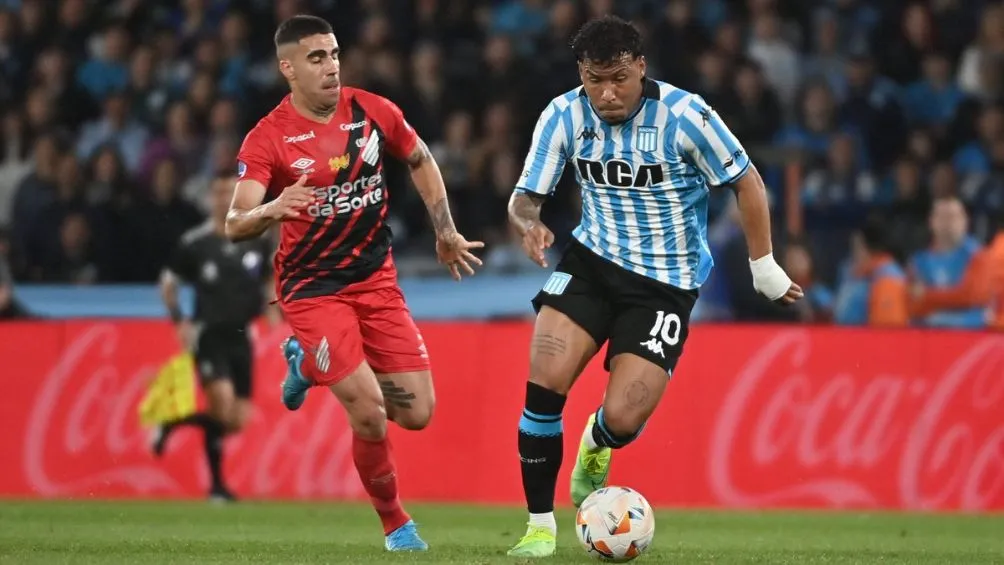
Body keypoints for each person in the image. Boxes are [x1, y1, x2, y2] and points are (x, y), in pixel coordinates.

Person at [505, 16, 803, 558]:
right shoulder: (563, 115)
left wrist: (764, 265)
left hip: (664, 286)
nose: (607, 93)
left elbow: (746, 180)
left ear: (641, 67)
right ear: (581, 74)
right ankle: (539, 527)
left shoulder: (687, 116)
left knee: (624, 416)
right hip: (591, 264)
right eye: (595, 79)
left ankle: (598, 442)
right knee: (544, 380)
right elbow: (525, 197)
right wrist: (529, 222)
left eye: (619, 77)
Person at [224, 15, 482, 551]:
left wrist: (446, 230)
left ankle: (305, 364)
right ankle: (396, 524)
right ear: (288, 68)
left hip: (376, 281)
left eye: (335, 54)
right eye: (316, 58)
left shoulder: (371, 110)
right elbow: (235, 223)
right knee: (367, 411)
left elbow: (419, 157)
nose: (331, 66)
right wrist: (273, 208)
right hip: (313, 289)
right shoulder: (268, 138)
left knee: (416, 413)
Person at [155, 172, 279, 502]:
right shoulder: (196, 242)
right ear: (211, 197)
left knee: (237, 420)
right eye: (219, 193)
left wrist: (272, 307)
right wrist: (179, 320)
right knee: (221, 407)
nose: (225, 198)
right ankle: (217, 487)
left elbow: (269, 277)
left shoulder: (255, 236)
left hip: (243, 336)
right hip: (209, 334)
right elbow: (169, 282)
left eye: (230, 192)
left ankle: (172, 424)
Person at [908, 195, 987, 328]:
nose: (948, 222)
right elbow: (915, 301)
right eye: (942, 216)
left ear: (965, 221)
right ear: (931, 221)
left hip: (970, 328)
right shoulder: (919, 261)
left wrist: (928, 295)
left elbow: (971, 298)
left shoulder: (979, 256)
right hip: (929, 330)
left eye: (953, 216)